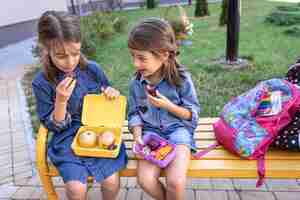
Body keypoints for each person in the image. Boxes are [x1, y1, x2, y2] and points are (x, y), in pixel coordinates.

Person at [32, 11, 127, 200]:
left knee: (111, 182)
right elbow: (53, 125)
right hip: (66, 140)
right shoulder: (42, 82)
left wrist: (111, 94)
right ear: (46, 49)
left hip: (100, 134)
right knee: (76, 189)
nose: (70, 62)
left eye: (75, 53)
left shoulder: (92, 70)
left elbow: (108, 100)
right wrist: (60, 101)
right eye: (60, 56)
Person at [127, 17, 200, 200]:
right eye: (133, 56)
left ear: (164, 54)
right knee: (145, 180)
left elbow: (192, 114)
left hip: (178, 132)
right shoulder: (136, 84)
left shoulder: (181, 80)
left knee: (175, 182)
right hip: (151, 135)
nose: (135, 64)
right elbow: (134, 113)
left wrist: (168, 106)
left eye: (142, 58)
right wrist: (137, 138)